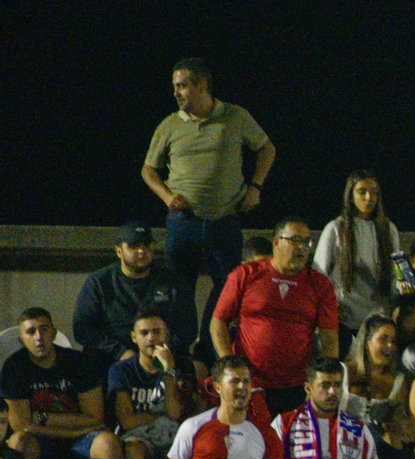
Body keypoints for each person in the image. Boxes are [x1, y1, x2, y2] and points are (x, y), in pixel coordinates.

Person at [141, 57, 275, 353]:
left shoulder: (235, 116)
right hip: (183, 220)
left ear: (202, 86)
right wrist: (167, 197)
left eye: (182, 86)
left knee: (228, 285)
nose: (176, 92)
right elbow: (148, 170)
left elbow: (266, 148)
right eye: (175, 86)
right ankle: (179, 349)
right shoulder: (170, 125)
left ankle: (208, 344)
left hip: (224, 217)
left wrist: (255, 187)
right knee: (179, 288)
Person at [210, 217, 340, 415]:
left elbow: (330, 341)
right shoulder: (246, 274)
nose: (302, 247)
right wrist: (231, 370)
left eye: (306, 242)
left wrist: (318, 384)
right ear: (276, 242)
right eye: (295, 240)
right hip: (251, 385)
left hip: (297, 386)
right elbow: (218, 323)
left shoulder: (320, 285)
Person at [2, 307, 127, 459]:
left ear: (53, 332)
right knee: (20, 442)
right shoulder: (13, 367)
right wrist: (79, 427)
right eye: (31, 332)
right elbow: (22, 426)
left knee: (108, 442)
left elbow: (95, 418)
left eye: (44, 329)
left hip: (80, 441)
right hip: (42, 443)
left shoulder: (78, 362)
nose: (39, 337)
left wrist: (41, 418)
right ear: (21, 338)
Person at [73, 221, 189, 367]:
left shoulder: (171, 279)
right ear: (119, 251)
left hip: (162, 354)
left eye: (146, 245)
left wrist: (164, 351)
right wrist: (120, 351)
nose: (141, 251)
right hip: (112, 357)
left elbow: (188, 326)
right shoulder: (99, 282)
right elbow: (82, 329)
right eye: (133, 246)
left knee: (197, 368)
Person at [108, 307, 191, 459]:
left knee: (190, 449)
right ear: (134, 337)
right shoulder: (121, 370)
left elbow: (175, 412)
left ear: (167, 335)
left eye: (157, 332)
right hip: (137, 437)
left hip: (172, 435)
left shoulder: (180, 366)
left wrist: (168, 370)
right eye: (144, 333)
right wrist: (159, 415)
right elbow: (127, 421)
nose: (151, 338)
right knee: (133, 449)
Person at [314, 170, 403, 343]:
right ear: (350, 195)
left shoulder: (388, 229)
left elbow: (396, 272)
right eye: (362, 192)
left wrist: (396, 301)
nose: (369, 197)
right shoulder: (335, 228)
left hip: (378, 319)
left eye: (374, 192)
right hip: (344, 317)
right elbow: (319, 274)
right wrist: (328, 304)